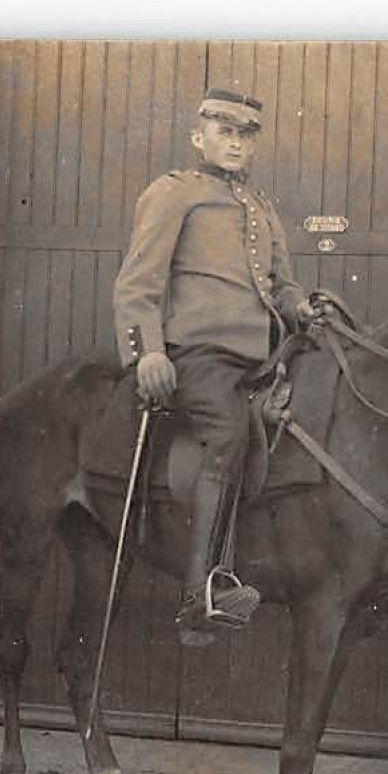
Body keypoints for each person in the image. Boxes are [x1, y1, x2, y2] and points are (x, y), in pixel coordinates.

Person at [112, 88, 314, 641]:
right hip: (198, 353)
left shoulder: (261, 206)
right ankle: (200, 591)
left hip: (259, 358)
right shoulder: (174, 194)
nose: (236, 143)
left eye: (247, 135)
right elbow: (138, 280)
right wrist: (147, 350)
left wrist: (301, 307)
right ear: (198, 137)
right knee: (227, 433)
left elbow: (283, 283)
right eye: (225, 132)